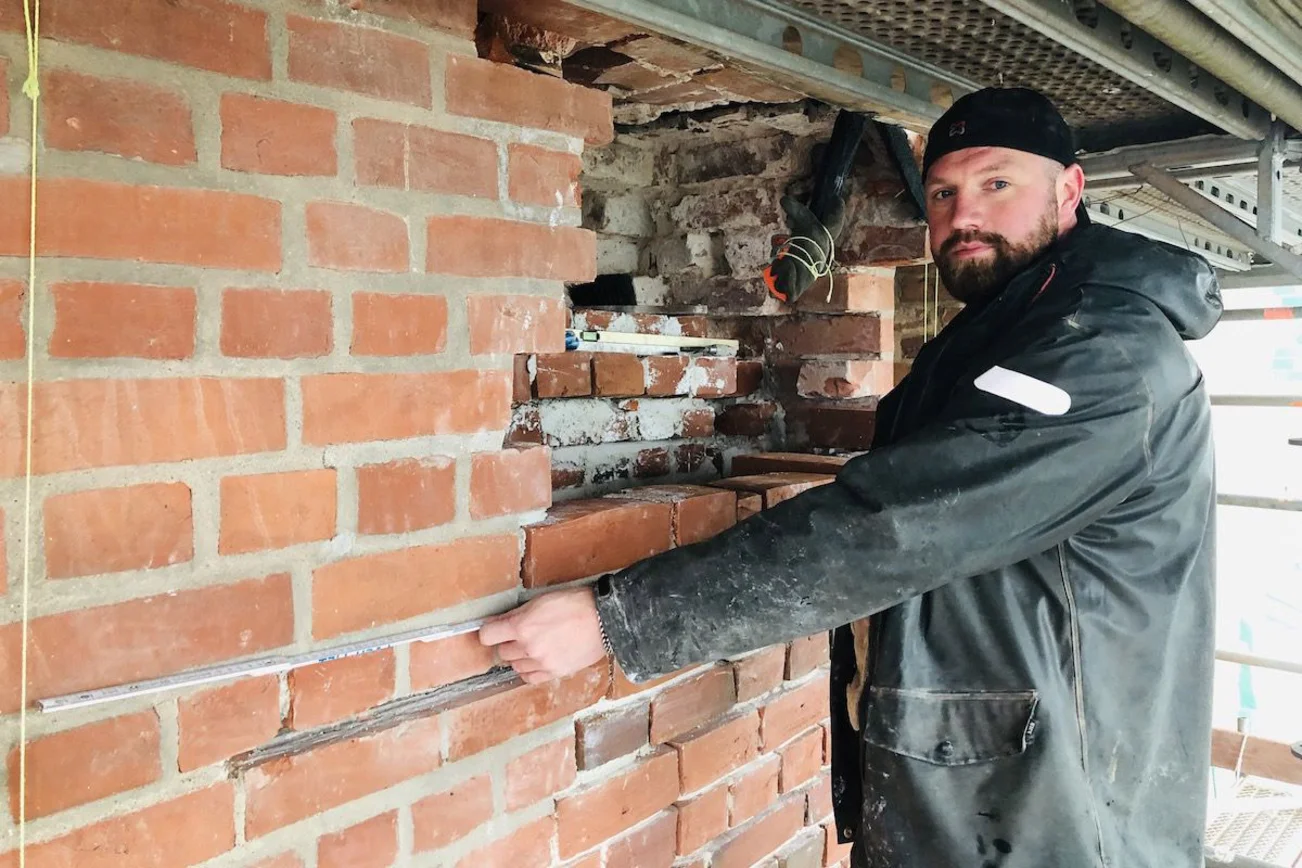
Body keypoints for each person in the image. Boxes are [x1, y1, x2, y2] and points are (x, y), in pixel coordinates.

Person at [479, 87, 1222, 867]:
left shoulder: (1103, 352)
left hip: (1058, 815)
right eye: (943, 192)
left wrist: (619, 620)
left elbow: (899, 526)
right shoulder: (1014, 325)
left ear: (1069, 191)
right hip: (993, 795)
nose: (963, 214)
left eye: (996, 183)